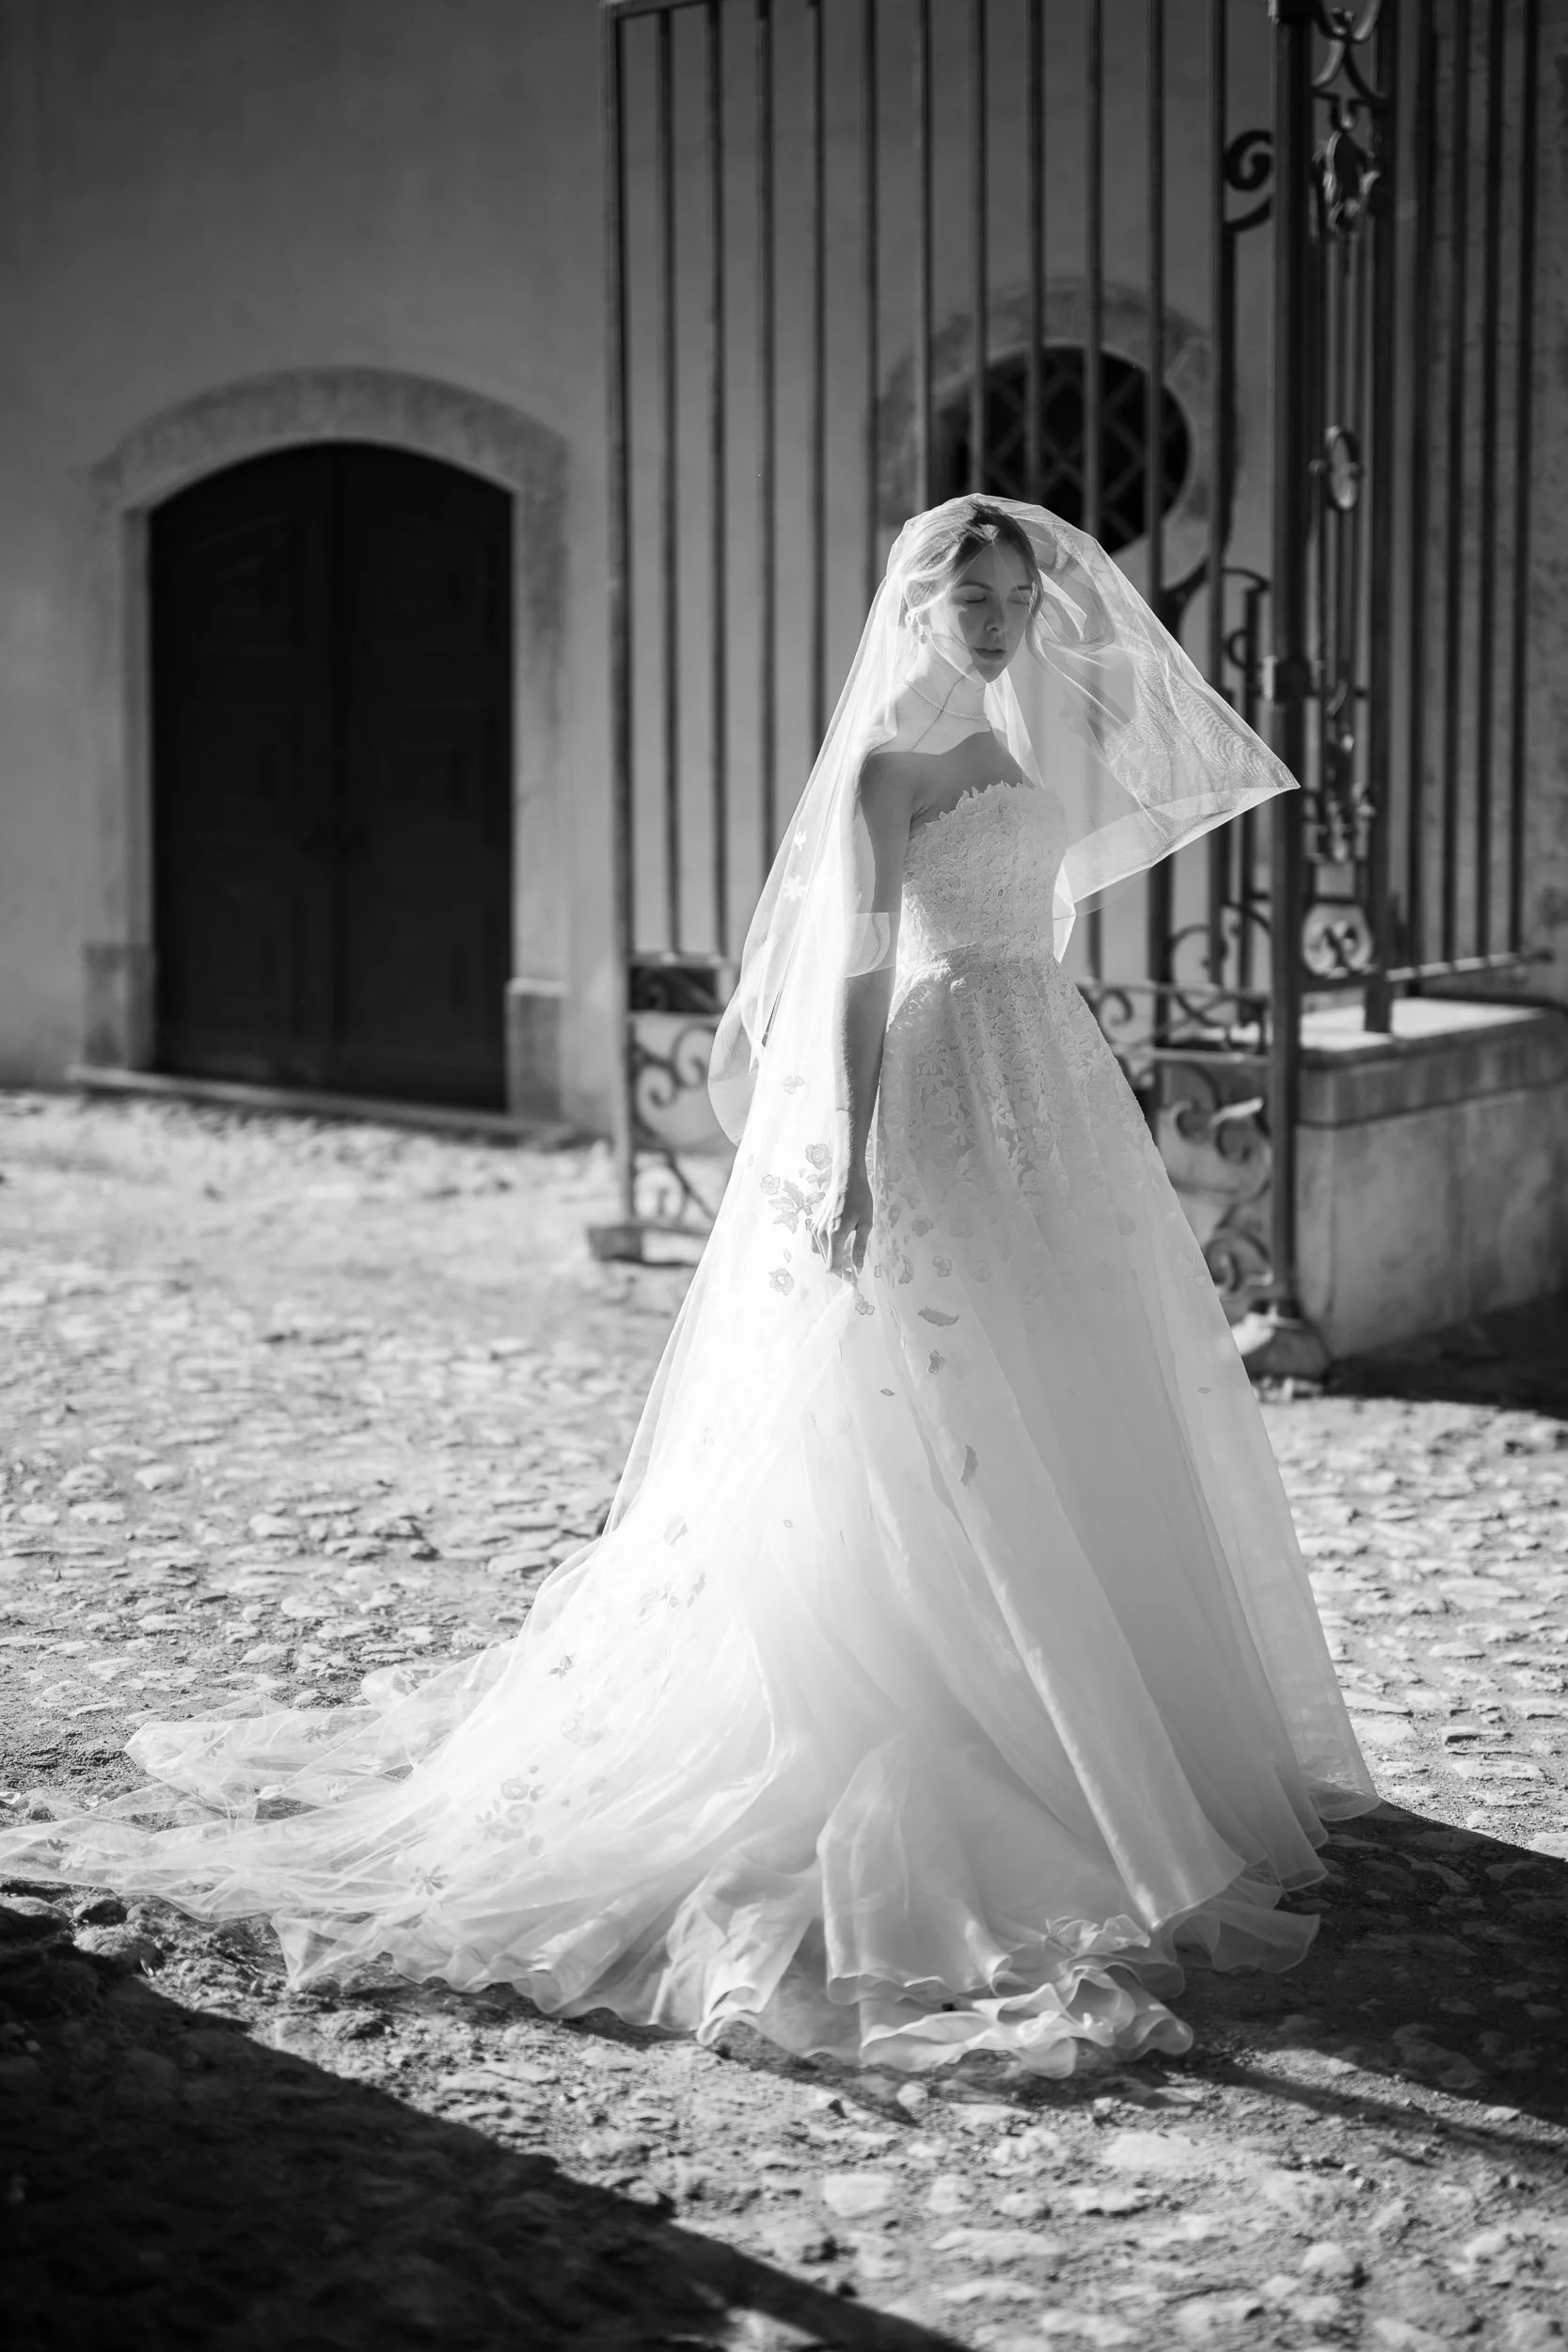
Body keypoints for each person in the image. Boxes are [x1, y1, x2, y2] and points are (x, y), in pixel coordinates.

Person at [0, 495, 1374, 2077]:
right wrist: (850, 1160)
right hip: (929, 1091)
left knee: (1066, 1385)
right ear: (915, 609)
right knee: (930, 1408)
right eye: (969, 596)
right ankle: (974, 1704)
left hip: (1042, 1089)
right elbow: (855, 980)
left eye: (1011, 595)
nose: (995, 620)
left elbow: (1034, 927)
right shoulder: (883, 772)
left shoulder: (1014, 758)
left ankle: (1105, 1733)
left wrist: (1079, 1075)